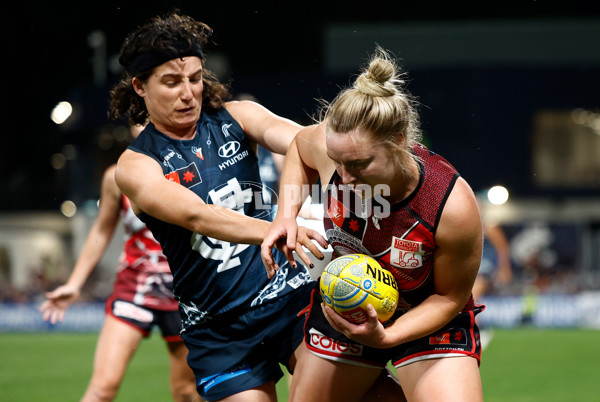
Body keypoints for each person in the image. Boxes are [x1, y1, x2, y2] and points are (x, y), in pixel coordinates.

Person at [108, 12, 327, 402]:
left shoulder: (238, 117)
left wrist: (350, 148)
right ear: (140, 86)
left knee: (363, 393)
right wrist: (277, 227)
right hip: (216, 330)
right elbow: (197, 215)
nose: (188, 93)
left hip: (286, 301)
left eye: (194, 78)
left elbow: (304, 141)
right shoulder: (136, 165)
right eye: (172, 82)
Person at [261, 47, 485, 402]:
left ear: (398, 142)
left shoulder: (450, 205)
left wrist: (387, 338)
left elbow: (449, 297)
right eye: (337, 162)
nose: (343, 178)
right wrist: (285, 214)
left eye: (359, 164)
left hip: (426, 315)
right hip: (347, 306)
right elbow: (299, 148)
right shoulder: (336, 152)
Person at [40, 127, 200, 402]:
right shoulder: (117, 177)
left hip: (184, 296)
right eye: (139, 119)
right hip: (133, 289)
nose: (146, 125)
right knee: (102, 388)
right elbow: (101, 231)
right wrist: (75, 283)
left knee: (186, 392)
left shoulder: (193, 171)